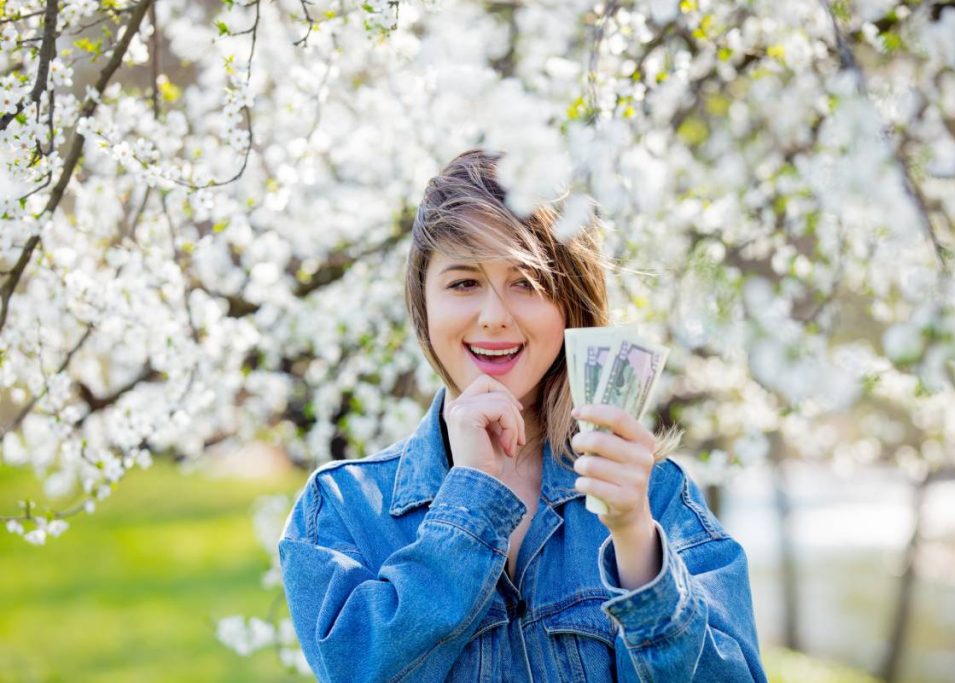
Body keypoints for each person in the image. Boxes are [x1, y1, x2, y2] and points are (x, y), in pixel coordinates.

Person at [278, 149, 767, 682]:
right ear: (424, 304)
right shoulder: (344, 509)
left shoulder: (657, 495)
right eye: (463, 283)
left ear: (569, 305)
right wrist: (470, 503)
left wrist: (635, 541)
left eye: (527, 283)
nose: (493, 317)